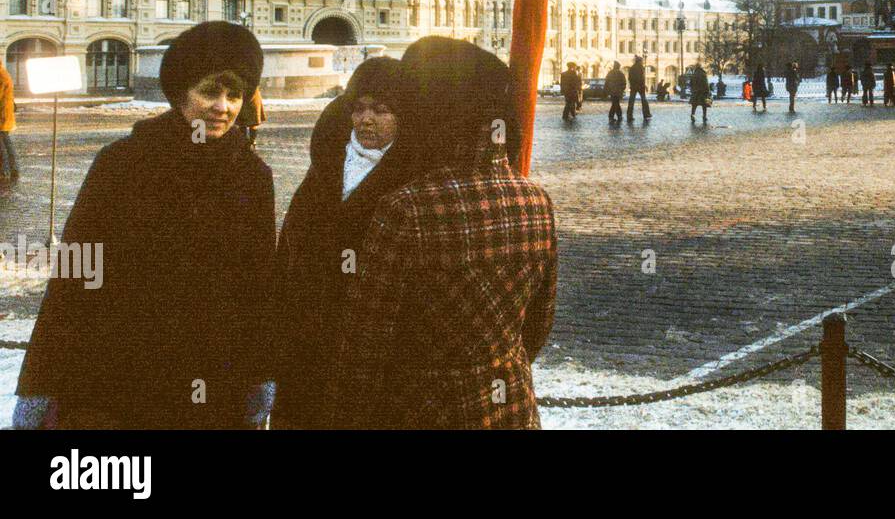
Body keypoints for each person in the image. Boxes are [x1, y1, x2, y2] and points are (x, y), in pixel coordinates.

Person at [14, 21, 275, 429]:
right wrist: (39, 383)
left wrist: (259, 375)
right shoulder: (122, 163)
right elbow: (74, 276)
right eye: (209, 91)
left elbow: (259, 287)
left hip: (213, 385)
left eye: (234, 95)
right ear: (180, 92)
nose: (222, 107)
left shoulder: (253, 176)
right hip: (116, 381)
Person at [327, 37, 557, 429]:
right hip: (511, 408)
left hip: (420, 410)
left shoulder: (407, 209)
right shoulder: (537, 201)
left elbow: (366, 343)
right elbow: (539, 321)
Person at [272, 57, 413, 430]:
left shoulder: (412, 180)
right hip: (307, 339)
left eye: (381, 110)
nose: (367, 119)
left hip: (371, 349)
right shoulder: (326, 166)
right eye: (360, 108)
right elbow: (289, 247)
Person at [0, 63, 17, 186]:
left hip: (2, 116)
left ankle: (4, 171)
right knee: (7, 144)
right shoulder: (3, 73)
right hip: (5, 115)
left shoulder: (1, 76)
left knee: (2, 147)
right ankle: (14, 170)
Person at [626, 55, 651, 123]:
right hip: (640, 86)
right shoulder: (641, 67)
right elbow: (642, 78)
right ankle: (646, 114)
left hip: (634, 86)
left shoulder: (632, 68)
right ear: (639, 61)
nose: (642, 62)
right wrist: (644, 85)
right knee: (644, 101)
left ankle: (629, 115)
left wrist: (632, 84)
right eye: (641, 61)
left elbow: (629, 78)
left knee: (631, 101)